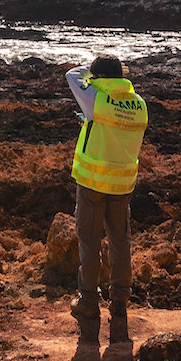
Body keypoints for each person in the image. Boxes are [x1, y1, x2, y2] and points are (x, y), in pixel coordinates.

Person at [65, 55, 149, 345]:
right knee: (120, 241)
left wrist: (90, 72)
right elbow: (115, 130)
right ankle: (120, 301)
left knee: (89, 239)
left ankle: (88, 300)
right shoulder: (139, 104)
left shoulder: (96, 100)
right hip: (123, 184)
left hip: (93, 183)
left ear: (100, 77)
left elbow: (72, 75)